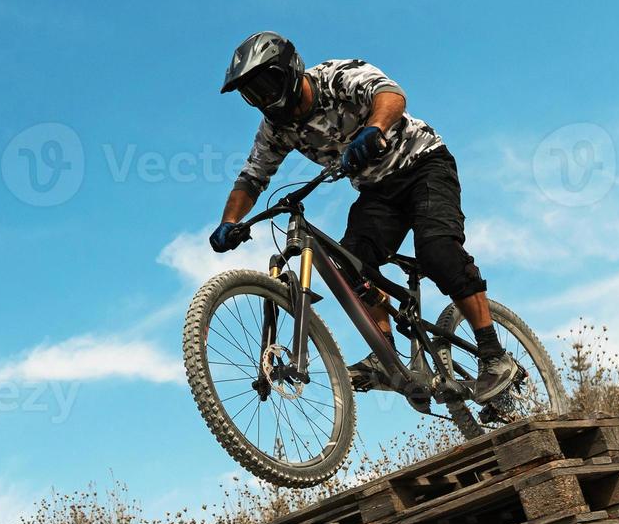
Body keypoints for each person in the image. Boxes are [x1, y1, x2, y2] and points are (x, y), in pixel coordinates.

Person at [209, 31, 519, 405]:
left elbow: (390, 95)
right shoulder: (276, 129)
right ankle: (385, 356)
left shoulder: (335, 77)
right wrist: (229, 223)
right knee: (349, 263)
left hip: (423, 165)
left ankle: (494, 355)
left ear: (289, 69)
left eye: (266, 84)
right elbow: (252, 177)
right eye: (252, 94)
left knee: (438, 251)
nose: (264, 98)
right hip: (377, 190)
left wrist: (374, 128)